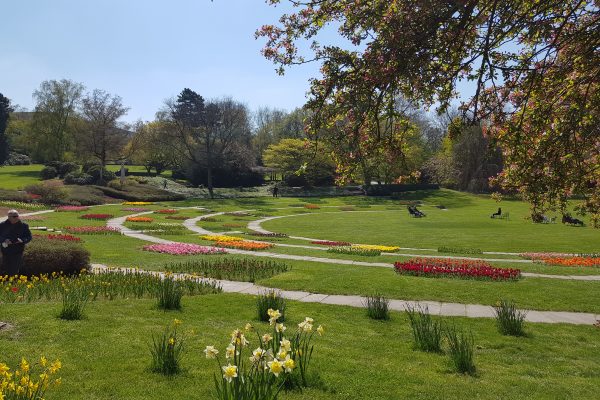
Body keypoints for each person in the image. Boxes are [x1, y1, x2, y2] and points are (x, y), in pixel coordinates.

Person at [0, 210, 32, 276]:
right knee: (5, 268)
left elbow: (29, 236)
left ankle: (12, 283)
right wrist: (4, 240)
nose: (16, 217)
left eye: (17, 215)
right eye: (14, 216)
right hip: (5, 250)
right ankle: (6, 283)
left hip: (17, 251)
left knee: (14, 269)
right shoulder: (2, 225)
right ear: (9, 217)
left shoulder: (24, 225)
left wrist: (22, 240)